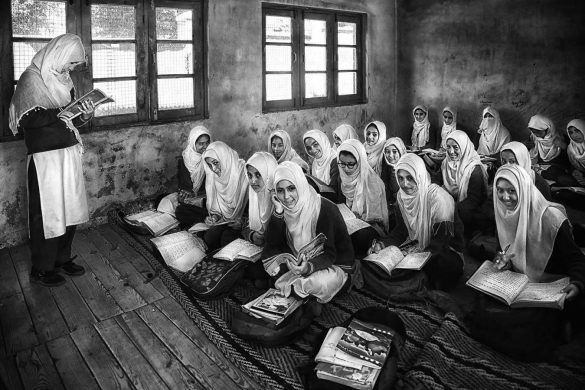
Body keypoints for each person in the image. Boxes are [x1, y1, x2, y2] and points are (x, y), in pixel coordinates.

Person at [469, 164, 585, 359]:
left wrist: (577, 284)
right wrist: (502, 261)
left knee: (524, 334)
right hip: (519, 281)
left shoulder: (551, 219)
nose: (505, 197)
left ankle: (563, 325)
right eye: (500, 191)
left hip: (550, 286)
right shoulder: (504, 213)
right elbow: (504, 252)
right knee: (481, 309)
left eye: (512, 191)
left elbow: (576, 259)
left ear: (524, 189)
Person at [9, 34, 94, 287]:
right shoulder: (30, 79)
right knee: (47, 213)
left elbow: (71, 121)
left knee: (70, 208)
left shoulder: (64, 80)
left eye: (74, 65)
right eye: (70, 63)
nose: (70, 69)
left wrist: (84, 115)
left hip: (67, 155)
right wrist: (61, 115)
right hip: (46, 160)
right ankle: (42, 267)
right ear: (59, 54)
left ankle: (61, 259)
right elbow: (27, 120)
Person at [261, 161, 356, 304]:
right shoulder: (282, 208)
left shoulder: (324, 208)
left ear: (300, 184)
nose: (286, 197)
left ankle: (302, 293)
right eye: (280, 190)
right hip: (299, 261)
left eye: (291, 188)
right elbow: (273, 242)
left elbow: (330, 253)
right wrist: (279, 212)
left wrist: (308, 267)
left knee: (320, 282)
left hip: (331, 264)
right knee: (273, 266)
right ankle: (305, 296)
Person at [368, 153, 465, 291]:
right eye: (400, 178)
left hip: (445, 250)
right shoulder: (402, 198)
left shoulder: (440, 199)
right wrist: (382, 245)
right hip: (417, 245)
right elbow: (401, 231)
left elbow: (441, 242)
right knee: (376, 261)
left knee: (443, 266)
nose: (405, 184)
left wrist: (414, 260)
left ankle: (416, 280)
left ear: (419, 175)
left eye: (410, 178)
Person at [336, 139, 389, 258]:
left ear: (360, 161)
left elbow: (375, 219)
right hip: (349, 223)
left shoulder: (372, 181)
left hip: (370, 226)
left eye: (351, 164)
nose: (346, 169)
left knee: (360, 237)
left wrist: (356, 219)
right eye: (342, 164)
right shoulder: (341, 179)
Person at [159, 126, 211, 226]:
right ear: (193, 143)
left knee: (181, 211)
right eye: (201, 143)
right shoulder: (184, 159)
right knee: (161, 199)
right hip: (190, 198)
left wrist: (198, 198)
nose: (205, 147)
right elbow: (182, 184)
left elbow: (214, 187)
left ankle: (206, 219)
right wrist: (183, 194)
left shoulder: (211, 159)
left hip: (205, 199)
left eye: (207, 142)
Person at [201, 141, 249, 251]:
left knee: (226, 240)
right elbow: (217, 208)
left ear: (224, 158)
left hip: (243, 223)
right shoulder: (214, 178)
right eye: (209, 165)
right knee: (209, 237)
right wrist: (214, 217)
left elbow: (255, 208)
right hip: (225, 220)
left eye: (216, 163)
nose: (213, 169)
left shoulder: (245, 174)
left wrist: (243, 222)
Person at [442, 130, 491, 236]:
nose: (451, 152)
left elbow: (473, 201)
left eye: (455, 147)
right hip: (452, 208)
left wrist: (450, 209)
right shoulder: (446, 163)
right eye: (448, 147)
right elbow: (436, 181)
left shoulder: (474, 169)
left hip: (469, 214)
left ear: (464, 147)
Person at [242, 152, 278, 246]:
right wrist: (252, 235)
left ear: (269, 174)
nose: (253, 181)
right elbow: (246, 223)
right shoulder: (254, 195)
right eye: (250, 175)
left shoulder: (283, 198)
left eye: (258, 175)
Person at [527, 114, 568, 182]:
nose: (536, 134)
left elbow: (569, 156)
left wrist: (562, 145)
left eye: (539, 131)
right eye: (534, 132)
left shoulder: (560, 137)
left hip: (557, 167)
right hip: (539, 167)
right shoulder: (533, 138)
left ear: (548, 129)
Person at [380, 137, 407, 212]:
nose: (391, 155)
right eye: (387, 152)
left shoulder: (408, 169)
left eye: (394, 152)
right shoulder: (387, 168)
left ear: (400, 152)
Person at [566, 119, 585, 185]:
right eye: (571, 133)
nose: (574, 135)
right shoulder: (571, 148)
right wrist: (576, 172)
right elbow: (573, 166)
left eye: (577, 131)